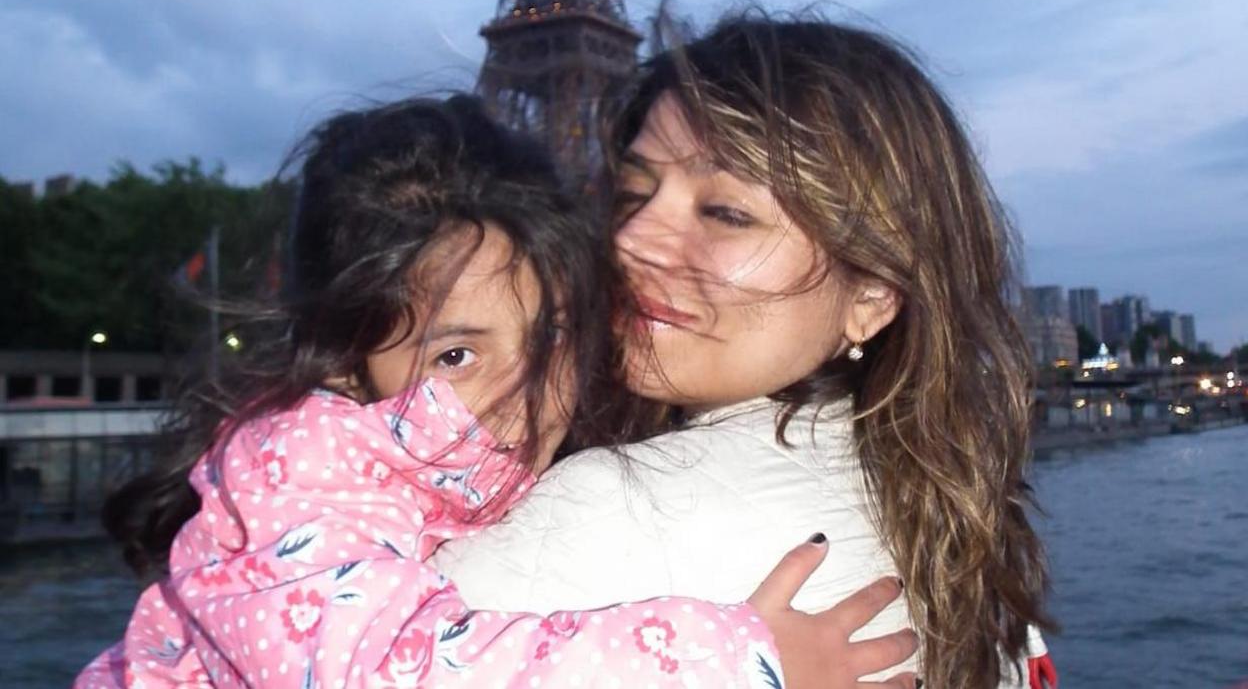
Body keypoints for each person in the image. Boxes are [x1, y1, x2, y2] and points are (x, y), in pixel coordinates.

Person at [76, 95, 918, 688]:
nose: (524, 393)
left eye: (553, 336)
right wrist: (737, 661)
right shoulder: (297, 477)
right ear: (341, 364)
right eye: (454, 357)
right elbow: (394, 674)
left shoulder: (441, 456)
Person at [432, 15, 1058, 689]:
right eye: (636, 191)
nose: (629, 239)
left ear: (872, 296)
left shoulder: (614, 508)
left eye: (725, 213)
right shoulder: (966, 526)